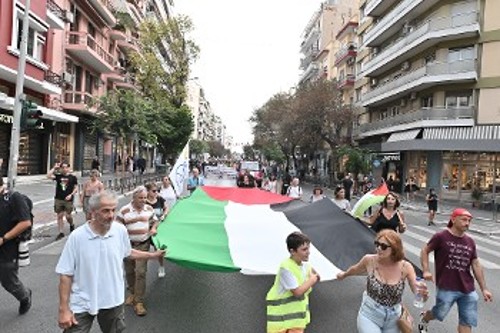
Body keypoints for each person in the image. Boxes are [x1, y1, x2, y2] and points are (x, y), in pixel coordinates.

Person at [56, 191, 165, 332]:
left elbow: (127, 252)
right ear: (93, 212)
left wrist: (152, 255)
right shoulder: (77, 237)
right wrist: (64, 309)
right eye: (106, 211)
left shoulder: (120, 231)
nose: (111, 215)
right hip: (81, 302)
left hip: (113, 300)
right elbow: (65, 274)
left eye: (113, 210)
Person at [337, 229, 428, 333]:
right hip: (370, 314)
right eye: (377, 244)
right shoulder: (369, 260)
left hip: (394, 318)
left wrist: (422, 295)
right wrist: (344, 275)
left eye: (383, 246)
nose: (378, 248)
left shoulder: (405, 267)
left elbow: (415, 288)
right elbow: (355, 269)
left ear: (394, 249)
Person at [418, 208, 493, 333]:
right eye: (464, 220)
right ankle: (425, 317)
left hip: (468, 289)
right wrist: (426, 270)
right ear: (453, 219)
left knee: (467, 321)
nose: (467, 223)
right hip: (447, 286)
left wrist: (484, 288)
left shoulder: (470, 241)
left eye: (469, 221)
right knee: (439, 313)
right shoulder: (441, 237)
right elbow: (424, 250)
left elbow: (475, 263)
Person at [116, 186, 159, 316]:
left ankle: (139, 301)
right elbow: (117, 228)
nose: (143, 200)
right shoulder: (124, 211)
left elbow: (155, 221)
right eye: (140, 198)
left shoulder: (149, 209)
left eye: (145, 198)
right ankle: (132, 293)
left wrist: (153, 228)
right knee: (129, 271)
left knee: (140, 272)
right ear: (133, 197)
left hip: (143, 244)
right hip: (128, 246)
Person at [266, 232, 320, 333]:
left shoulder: (306, 267)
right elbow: (297, 292)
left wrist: (315, 275)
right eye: (304, 249)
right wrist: (312, 280)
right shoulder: (286, 267)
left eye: (308, 248)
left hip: (296, 323)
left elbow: (316, 276)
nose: (308, 252)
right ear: (292, 251)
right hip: (280, 323)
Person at [0, 177, 32, 315]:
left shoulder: (14, 198)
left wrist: (4, 238)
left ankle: (24, 296)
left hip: (8, 248)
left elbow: (25, 222)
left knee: (9, 282)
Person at [47, 162, 78, 240]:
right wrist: (54, 168)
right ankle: (61, 232)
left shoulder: (72, 177)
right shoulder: (58, 176)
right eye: (62, 167)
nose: (64, 169)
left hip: (68, 199)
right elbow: (48, 176)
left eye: (66, 167)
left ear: (68, 168)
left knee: (68, 216)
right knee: (59, 215)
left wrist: (71, 194)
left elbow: (76, 188)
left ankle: (71, 224)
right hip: (58, 198)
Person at [145, 182, 168, 278]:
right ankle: (142, 268)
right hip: (146, 229)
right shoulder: (144, 201)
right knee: (145, 250)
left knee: (158, 249)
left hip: (158, 229)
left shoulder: (160, 199)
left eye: (157, 191)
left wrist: (164, 214)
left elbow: (166, 207)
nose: (156, 193)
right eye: (154, 191)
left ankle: (161, 266)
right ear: (148, 191)